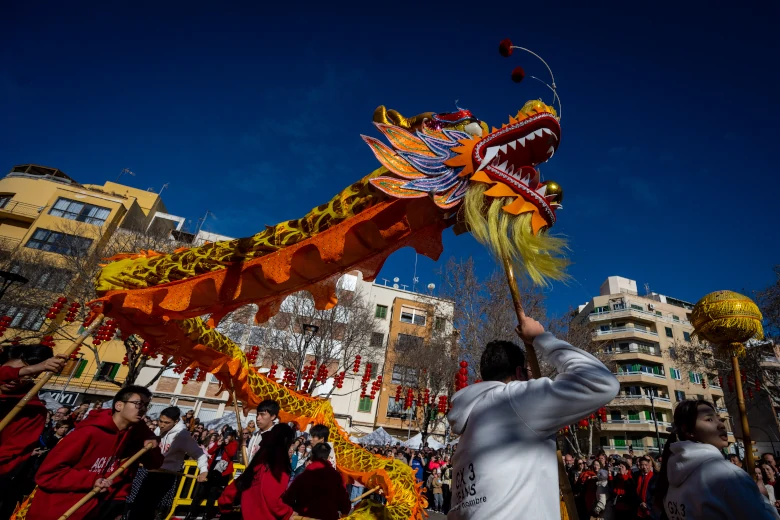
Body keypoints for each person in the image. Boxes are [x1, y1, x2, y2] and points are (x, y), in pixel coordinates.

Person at [446, 312, 619, 519]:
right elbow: (601, 382)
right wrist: (541, 338)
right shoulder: (513, 399)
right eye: (527, 373)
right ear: (520, 373)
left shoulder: (470, 422)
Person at [25, 385, 162, 520]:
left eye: (146, 405)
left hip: (94, 507)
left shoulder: (135, 433)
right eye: (138, 403)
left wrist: (150, 440)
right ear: (119, 405)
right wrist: (92, 479)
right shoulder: (88, 432)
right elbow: (47, 474)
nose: (143, 409)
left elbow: (155, 463)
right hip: (57, 509)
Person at [655, 399, 779, 519]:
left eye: (719, 419)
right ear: (688, 430)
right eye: (709, 419)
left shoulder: (671, 477)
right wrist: (764, 501)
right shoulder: (728, 475)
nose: (721, 425)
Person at [0, 344, 67, 519]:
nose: (16, 378)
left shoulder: (33, 410)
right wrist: (28, 370)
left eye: (27, 375)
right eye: (15, 371)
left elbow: (13, 452)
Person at [125, 406, 209, 519]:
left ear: (175, 422)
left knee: (145, 507)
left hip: (166, 474)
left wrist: (203, 470)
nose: (162, 425)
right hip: (151, 471)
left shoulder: (182, 435)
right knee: (138, 507)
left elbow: (199, 454)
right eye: (161, 421)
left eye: (166, 422)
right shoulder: (158, 430)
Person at [220, 423, 295, 519]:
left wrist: (225, 504)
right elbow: (272, 499)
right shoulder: (277, 466)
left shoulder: (260, 461)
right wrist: (287, 512)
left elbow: (236, 486)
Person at [283, 442, 351, 520]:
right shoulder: (336, 476)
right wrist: (344, 510)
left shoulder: (303, 476)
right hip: (329, 516)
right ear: (327, 457)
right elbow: (344, 500)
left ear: (312, 456)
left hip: (305, 516)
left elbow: (288, 498)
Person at [185, 428, 239, 520]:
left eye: (228, 435)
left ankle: (206, 515)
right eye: (224, 435)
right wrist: (218, 444)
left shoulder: (233, 443)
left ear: (232, 436)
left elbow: (231, 453)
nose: (226, 437)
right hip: (211, 469)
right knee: (200, 492)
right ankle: (190, 513)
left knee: (212, 494)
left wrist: (226, 444)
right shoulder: (219, 441)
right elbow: (210, 452)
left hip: (221, 472)